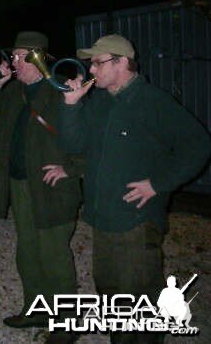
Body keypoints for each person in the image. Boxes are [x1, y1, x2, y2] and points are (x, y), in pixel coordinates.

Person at [59, 34, 210, 344]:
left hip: (136, 223)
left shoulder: (152, 101)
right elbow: (72, 145)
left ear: (122, 62)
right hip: (102, 220)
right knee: (112, 294)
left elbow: (198, 145)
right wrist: (71, 106)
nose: (91, 70)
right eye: (91, 63)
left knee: (139, 300)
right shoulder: (100, 101)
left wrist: (158, 183)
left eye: (97, 63)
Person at [0, 31, 83, 343]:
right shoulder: (14, 92)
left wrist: (71, 169)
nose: (13, 62)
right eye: (13, 56)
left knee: (54, 256)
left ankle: (67, 322)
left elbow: (87, 139)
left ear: (38, 57)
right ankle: (37, 309)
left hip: (53, 188)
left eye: (19, 56)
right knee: (27, 252)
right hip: (21, 185)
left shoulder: (60, 90)